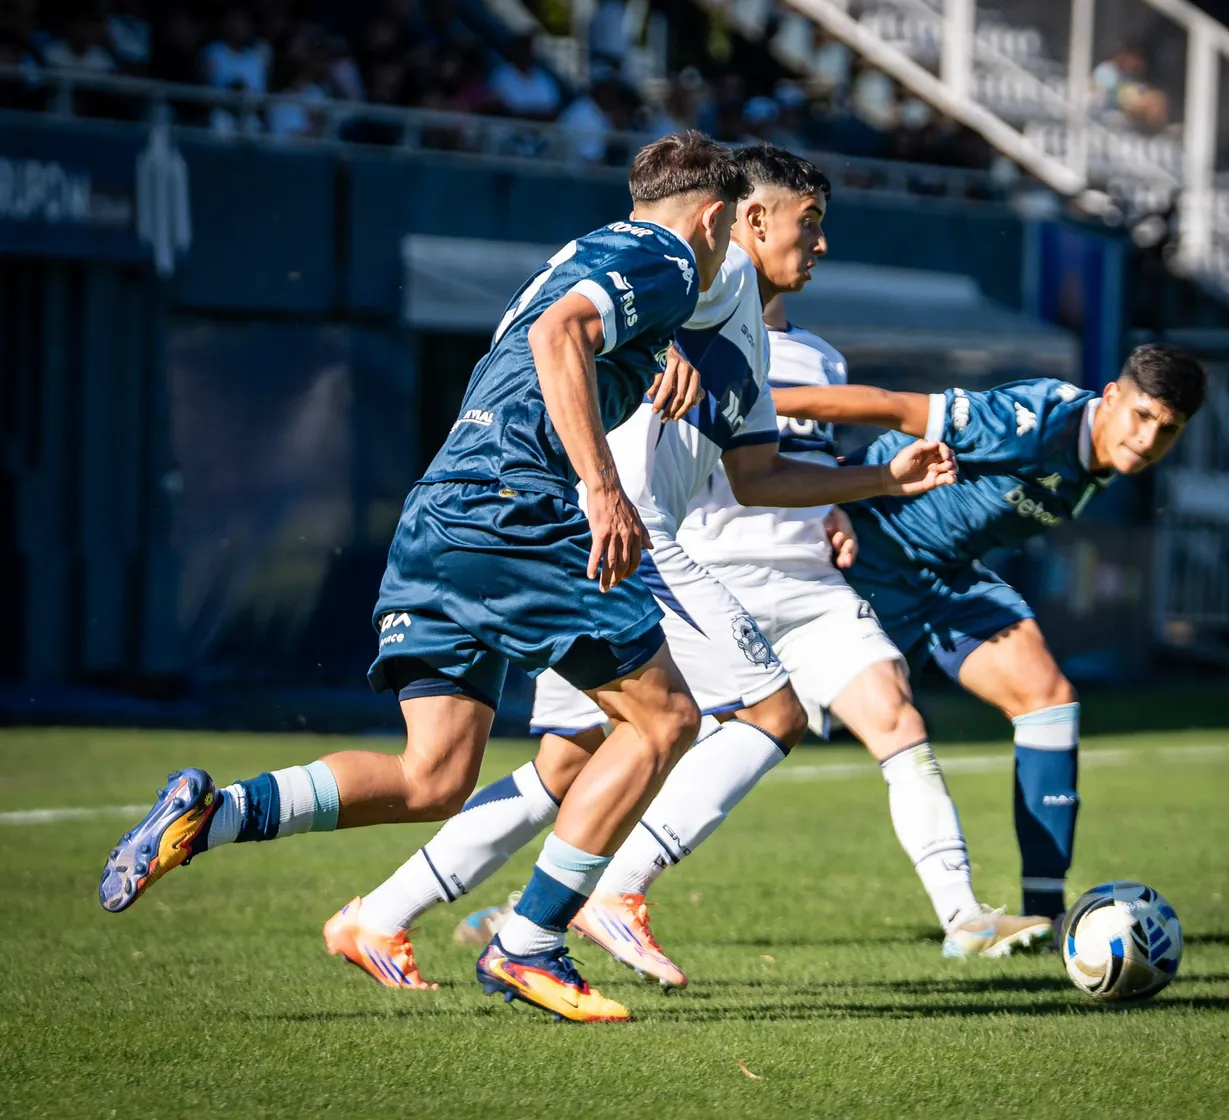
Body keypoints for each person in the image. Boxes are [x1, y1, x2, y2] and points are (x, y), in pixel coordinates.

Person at [98, 132, 750, 1024]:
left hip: (440, 511)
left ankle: (213, 815)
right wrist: (603, 490)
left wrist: (652, 353)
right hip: (515, 507)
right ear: (711, 219)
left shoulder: (588, 253)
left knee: (433, 775)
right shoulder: (669, 258)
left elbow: (555, 330)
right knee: (664, 719)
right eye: (730, 233)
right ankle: (530, 941)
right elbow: (561, 335)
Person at [339, 144, 956, 1000]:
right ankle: (606, 895)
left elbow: (759, 477)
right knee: (770, 711)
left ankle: (380, 914)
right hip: (625, 528)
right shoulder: (705, 269)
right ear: (744, 219)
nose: (820, 244)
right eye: (808, 222)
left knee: (570, 764)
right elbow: (600, 300)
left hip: (606, 536)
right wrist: (658, 349)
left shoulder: (752, 335)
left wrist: (880, 480)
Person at [457, 303, 1063, 983]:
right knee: (584, 758)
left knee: (896, 716)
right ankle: (532, 905)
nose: (817, 252)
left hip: (808, 586)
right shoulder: (684, 338)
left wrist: (836, 508)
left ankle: (963, 916)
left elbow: (795, 463)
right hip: (709, 577)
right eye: (805, 239)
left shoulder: (824, 355)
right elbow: (674, 463)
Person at [769, 344, 1207, 928]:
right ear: (1110, 397)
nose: (1149, 438)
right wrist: (758, 403)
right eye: (1142, 415)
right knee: (756, 725)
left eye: (1168, 429)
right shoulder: (1032, 422)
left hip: (944, 579)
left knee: (1047, 699)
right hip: (868, 556)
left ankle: (1047, 919)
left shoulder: (1106, 458)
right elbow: (888, 405)